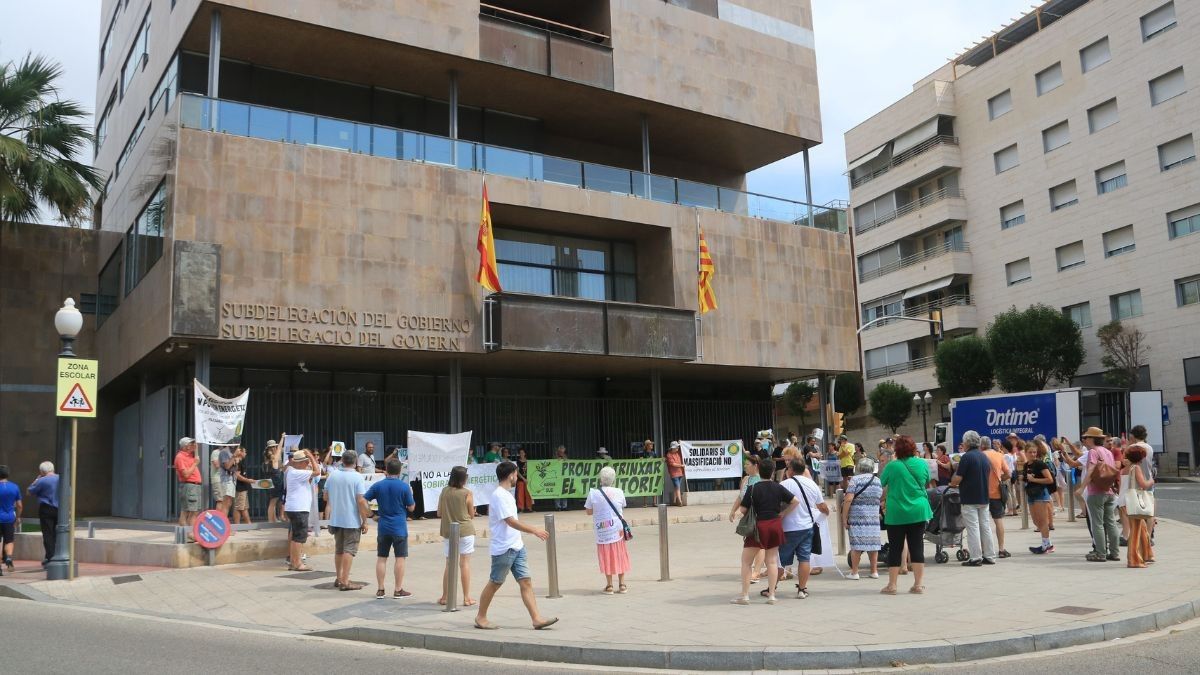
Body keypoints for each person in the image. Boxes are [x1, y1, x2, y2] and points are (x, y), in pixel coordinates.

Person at [474, 461, 558, 630]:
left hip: (517, 546)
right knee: (495, 582)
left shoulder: (506, 494)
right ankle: (480, 617)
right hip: (504, 548)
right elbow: (510, 521)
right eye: (516, 474)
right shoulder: (499, 495)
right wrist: (534, 530)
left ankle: (536, 618)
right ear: (511, 474)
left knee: (526, 581)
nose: (516, 477)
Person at [730, 457, 798, 605]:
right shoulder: (778, 487)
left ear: (759, 471)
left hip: (757, 527)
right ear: (773, 472)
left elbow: (743, 509)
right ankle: (772, 595)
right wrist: (783, 513)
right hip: (774, 525)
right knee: (772, 561)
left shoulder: (753, 489)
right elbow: (795, 501)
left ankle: (745, 595)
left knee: (746, 562)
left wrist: (737, 512)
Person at [879, 436, 932, 595]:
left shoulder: (892, 466)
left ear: (897, 450)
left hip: (897, 512)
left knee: (895, 548)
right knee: (917, 547)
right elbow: (926, 482)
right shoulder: (922, 463)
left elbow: (881, 483)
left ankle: (892, 585)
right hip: (918, 510)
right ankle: (918, 585)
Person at [364, 458, 416, 598]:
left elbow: (363, 500)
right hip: (399, 527)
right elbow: (411, 508)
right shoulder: (404, 486)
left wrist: (371, 514)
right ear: (399, 471)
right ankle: (398, 589)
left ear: (386, 469)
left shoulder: (378, 485)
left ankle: (380, 589)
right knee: (400, 558)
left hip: (383, 526)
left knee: (382, 558)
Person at [950, 431, 998, 566]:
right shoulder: (983, 456)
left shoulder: (966, 457)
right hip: (983, 496)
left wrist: (953, 479)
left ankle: (976, 557)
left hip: (969, 497)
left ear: (966, 443)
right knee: (985, 527)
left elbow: (957, 480)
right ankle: (989, 555)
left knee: (973, 528)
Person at [780, 459, 826, 598]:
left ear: (791, 470)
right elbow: (822, 506)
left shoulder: (784, 484)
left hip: (788, 528)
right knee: (804, 559)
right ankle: (802, 589)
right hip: (807, 527)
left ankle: (771, 588)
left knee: (780, 560)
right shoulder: (812, 484)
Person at [325, 450, 370, 591]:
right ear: (356, 461)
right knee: (349, 550)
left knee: (339, 549)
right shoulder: (357, 477)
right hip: (351, 520)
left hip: (336, 518)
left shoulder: (333, 475)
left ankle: (339, 578)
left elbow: (325, 497)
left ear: (342, 460)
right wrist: (365, 520)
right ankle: (345, 580)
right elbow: (361, 501)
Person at [584, 466, 631, 594]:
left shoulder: (593, 493)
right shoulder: (619, 491)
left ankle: (609, 585)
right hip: (617, 529)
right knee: (620, 554)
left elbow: (588, 511)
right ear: (613, 479)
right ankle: (622, 584)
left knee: (606, 556)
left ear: (600, 478)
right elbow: (622, 505)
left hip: (602, 530)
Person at [437, 466, 476, 606]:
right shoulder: (467, 493)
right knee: (464, 564)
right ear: (463, 478)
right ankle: (466, 598)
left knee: (449, 563)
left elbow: (439, 513)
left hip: (448, 531)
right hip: (465, 530)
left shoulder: (444, 491)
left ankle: (445, 597)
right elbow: (471, 515)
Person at [1081, 427, 1120, 562]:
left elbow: (1091, 469)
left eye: (1086, 437)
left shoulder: (1093, 451)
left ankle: (1100, 553)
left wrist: (1082, 487)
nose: (1084, 440)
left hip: (1096, 491)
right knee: (1111, 522)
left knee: (1097, 523)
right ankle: (1115, 553)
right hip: (1109, 490)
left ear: (1092, 438)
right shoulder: (1107, 451)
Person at [843, 458, 883, 580]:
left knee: (856, 546)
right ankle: (874, 571)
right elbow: (880, 497)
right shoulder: (877, 480)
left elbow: (848, 499)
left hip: (857, 517)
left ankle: (855, 572)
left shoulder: (855, 480)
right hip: (873, 517)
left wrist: (844, 517)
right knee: (873, 545)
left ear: (858, 468)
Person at [729, 455, 766, 583]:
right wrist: (733, 510)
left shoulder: (762, 479)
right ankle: (754, 570)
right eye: (744, 464)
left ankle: (756, 572)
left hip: (758, 514)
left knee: (759, 543)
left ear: (755, 465)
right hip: (747, 516)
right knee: (751, 542)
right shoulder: (745, 479)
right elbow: (740, 497)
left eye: (747, 464)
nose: (745, 467)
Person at [283, 449, 318, 571]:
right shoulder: (296, 472)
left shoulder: (291, 471)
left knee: (295, 536)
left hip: (294, 507)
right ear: (298, 463)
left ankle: (293, 562)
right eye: (305, 462)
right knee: (299, 537)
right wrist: (311, 456)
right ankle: (297, 563)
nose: (306, 464)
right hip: (299, 508)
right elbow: (317, 472)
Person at [1122, 445, 1155, 568]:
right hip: (1135, 502)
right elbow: (1143, 484)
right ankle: (1134, 560)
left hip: (1129, 501)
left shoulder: (1129, 467)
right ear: (1140, 457)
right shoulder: (1136, 468)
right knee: (1135, 532)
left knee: (1142, 530)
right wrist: (1151, 481)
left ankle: (1145, 555)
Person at [1024, 440, 1055, 554]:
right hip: (1031, 494)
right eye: (1030, 452)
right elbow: (1027, 479)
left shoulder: (1040, 464)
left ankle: (1046, 545)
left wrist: (1034, 479)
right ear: (1025, 452)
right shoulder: (1026, 465)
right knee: (1036, 522)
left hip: (1041, 493)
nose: (1033, 454)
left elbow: (1049, 479)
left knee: (1042, 521)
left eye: (1034, 452)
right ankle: (1048, 544)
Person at [983, 438, 1012, 558]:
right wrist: (1000, 479)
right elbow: (1008, 474)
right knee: (998, 520)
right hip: (996, 493)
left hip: (982, 494)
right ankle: (1001, 549)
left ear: (981, 446)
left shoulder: (980, 455)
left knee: (983, 523)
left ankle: (984, 550)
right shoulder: (999, 456)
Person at [27, 461, 59, 567]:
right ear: (53, 469)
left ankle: (50, 558)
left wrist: (36, 480)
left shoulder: (41, 480)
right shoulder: (62, 478)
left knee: (48, 534)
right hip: (60, 509)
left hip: (46, 509)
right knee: (58, 533)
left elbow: (29, 492)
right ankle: (55, 555)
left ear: (42, 471)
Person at [174, 437, 202, 526]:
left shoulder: (190, 455)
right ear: (186, 446)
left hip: (194, 486)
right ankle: (186, 533)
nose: (194, 445)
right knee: (186, 511)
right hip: (189, 486)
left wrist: (196, 450)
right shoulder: (180, 457)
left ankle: (189, 533)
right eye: (191, 444)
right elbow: (185, 475)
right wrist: (195, 463)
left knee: (194, 511)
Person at [0, 465, 21, 573]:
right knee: (9, 540)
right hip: (9, 518)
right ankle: (8, 557)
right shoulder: (14, 487)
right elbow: (19, 505)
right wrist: (17, 517)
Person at [230, 448, 253, 526]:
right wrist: (247, 480)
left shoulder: (241, 462)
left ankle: (249, 524)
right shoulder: (237, 462)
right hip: (239, 488)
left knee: (244, 507)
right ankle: (237, 526)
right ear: (241, 452)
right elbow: (237, 475)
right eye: (245, 452)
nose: (246, 453)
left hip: (244, 488)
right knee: (238, 507)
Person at [263, 440, 282, 523]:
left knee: (272, 501)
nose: (275, 448)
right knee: (273, 502)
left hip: (269, 482)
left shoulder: (266, 460)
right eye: (274, 447)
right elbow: (279, 449)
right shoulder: (273, 458)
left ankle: (273, 519)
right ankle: (271, 520)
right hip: (275, 482)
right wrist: (282, 438)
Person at [665, 441, 686, 507]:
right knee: (677, 487)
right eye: (676, 447)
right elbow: (673, 464)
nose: (678, 448)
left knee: (676, 487)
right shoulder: (669, 455)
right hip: (674, 474)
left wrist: (681, 442)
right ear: (673, 448)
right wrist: (681, 465)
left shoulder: (678, 453)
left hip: (680, 473)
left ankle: (674, 501)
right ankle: (679, 501)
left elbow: (683, 449)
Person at [514, 447, 534, 513]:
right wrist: (523, 478)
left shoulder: (528, 461)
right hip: (520, 479)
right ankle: (520, 508)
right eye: (520, 453)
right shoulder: (517, 462)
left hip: (528, 480)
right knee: (520, 494)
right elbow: (517, 472)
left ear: (525, 453)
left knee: (528, 493)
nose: (521, 454)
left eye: (522, 452)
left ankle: (529, 507)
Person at [553, 445, 569, 511]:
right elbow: (552, 463)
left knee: (564, 490)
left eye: (563, 449)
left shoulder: (565, 456)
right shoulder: (555, 455)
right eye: (561, 449)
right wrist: (557, 460)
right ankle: (558, 506)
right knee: (557, 491)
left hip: (564, 476)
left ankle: (564, 506)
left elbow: (568, 463)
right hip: (557, 476)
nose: (562, 451)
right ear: (559, 450)